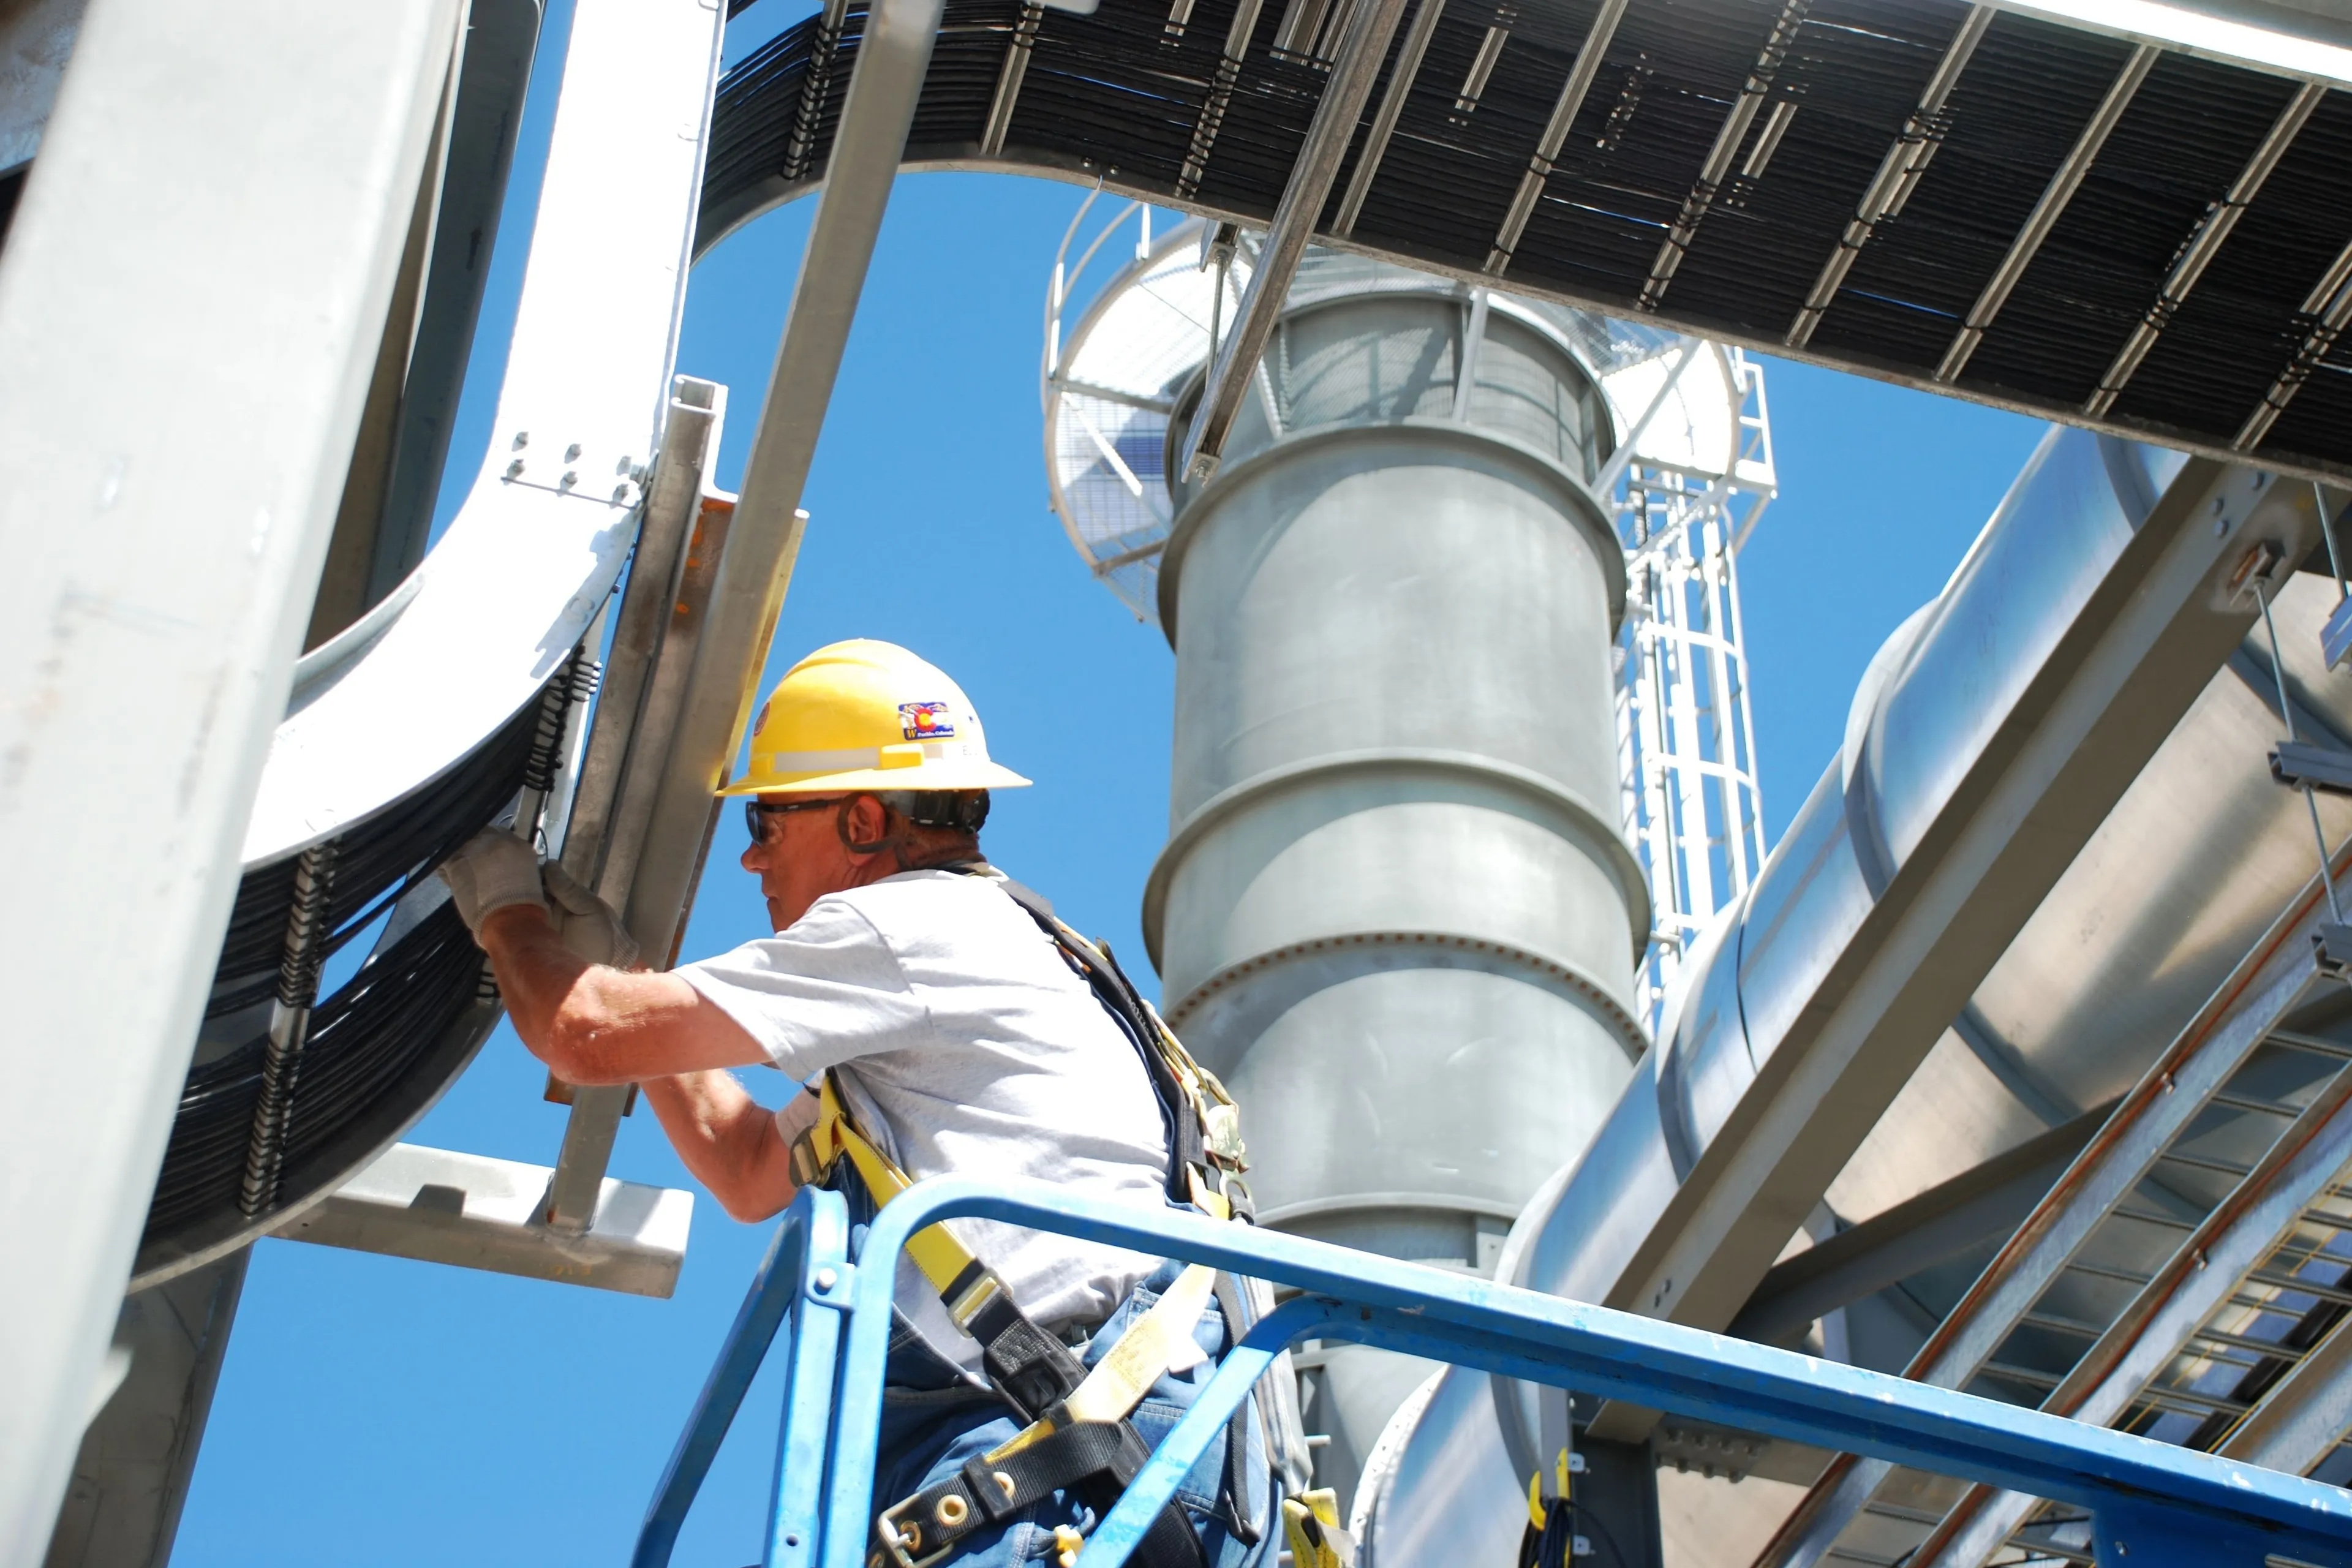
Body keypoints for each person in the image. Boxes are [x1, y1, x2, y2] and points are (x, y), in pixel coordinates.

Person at [437, 639, 1286, 1568]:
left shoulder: (909, 925)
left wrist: (506, 912)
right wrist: (636, 970)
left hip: (1064, 1461)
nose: (753, 860)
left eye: (767, 819)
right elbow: (749, 1164)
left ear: (865, 821)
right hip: (1150, 1466)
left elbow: (583, 1033)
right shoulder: (995, 977)